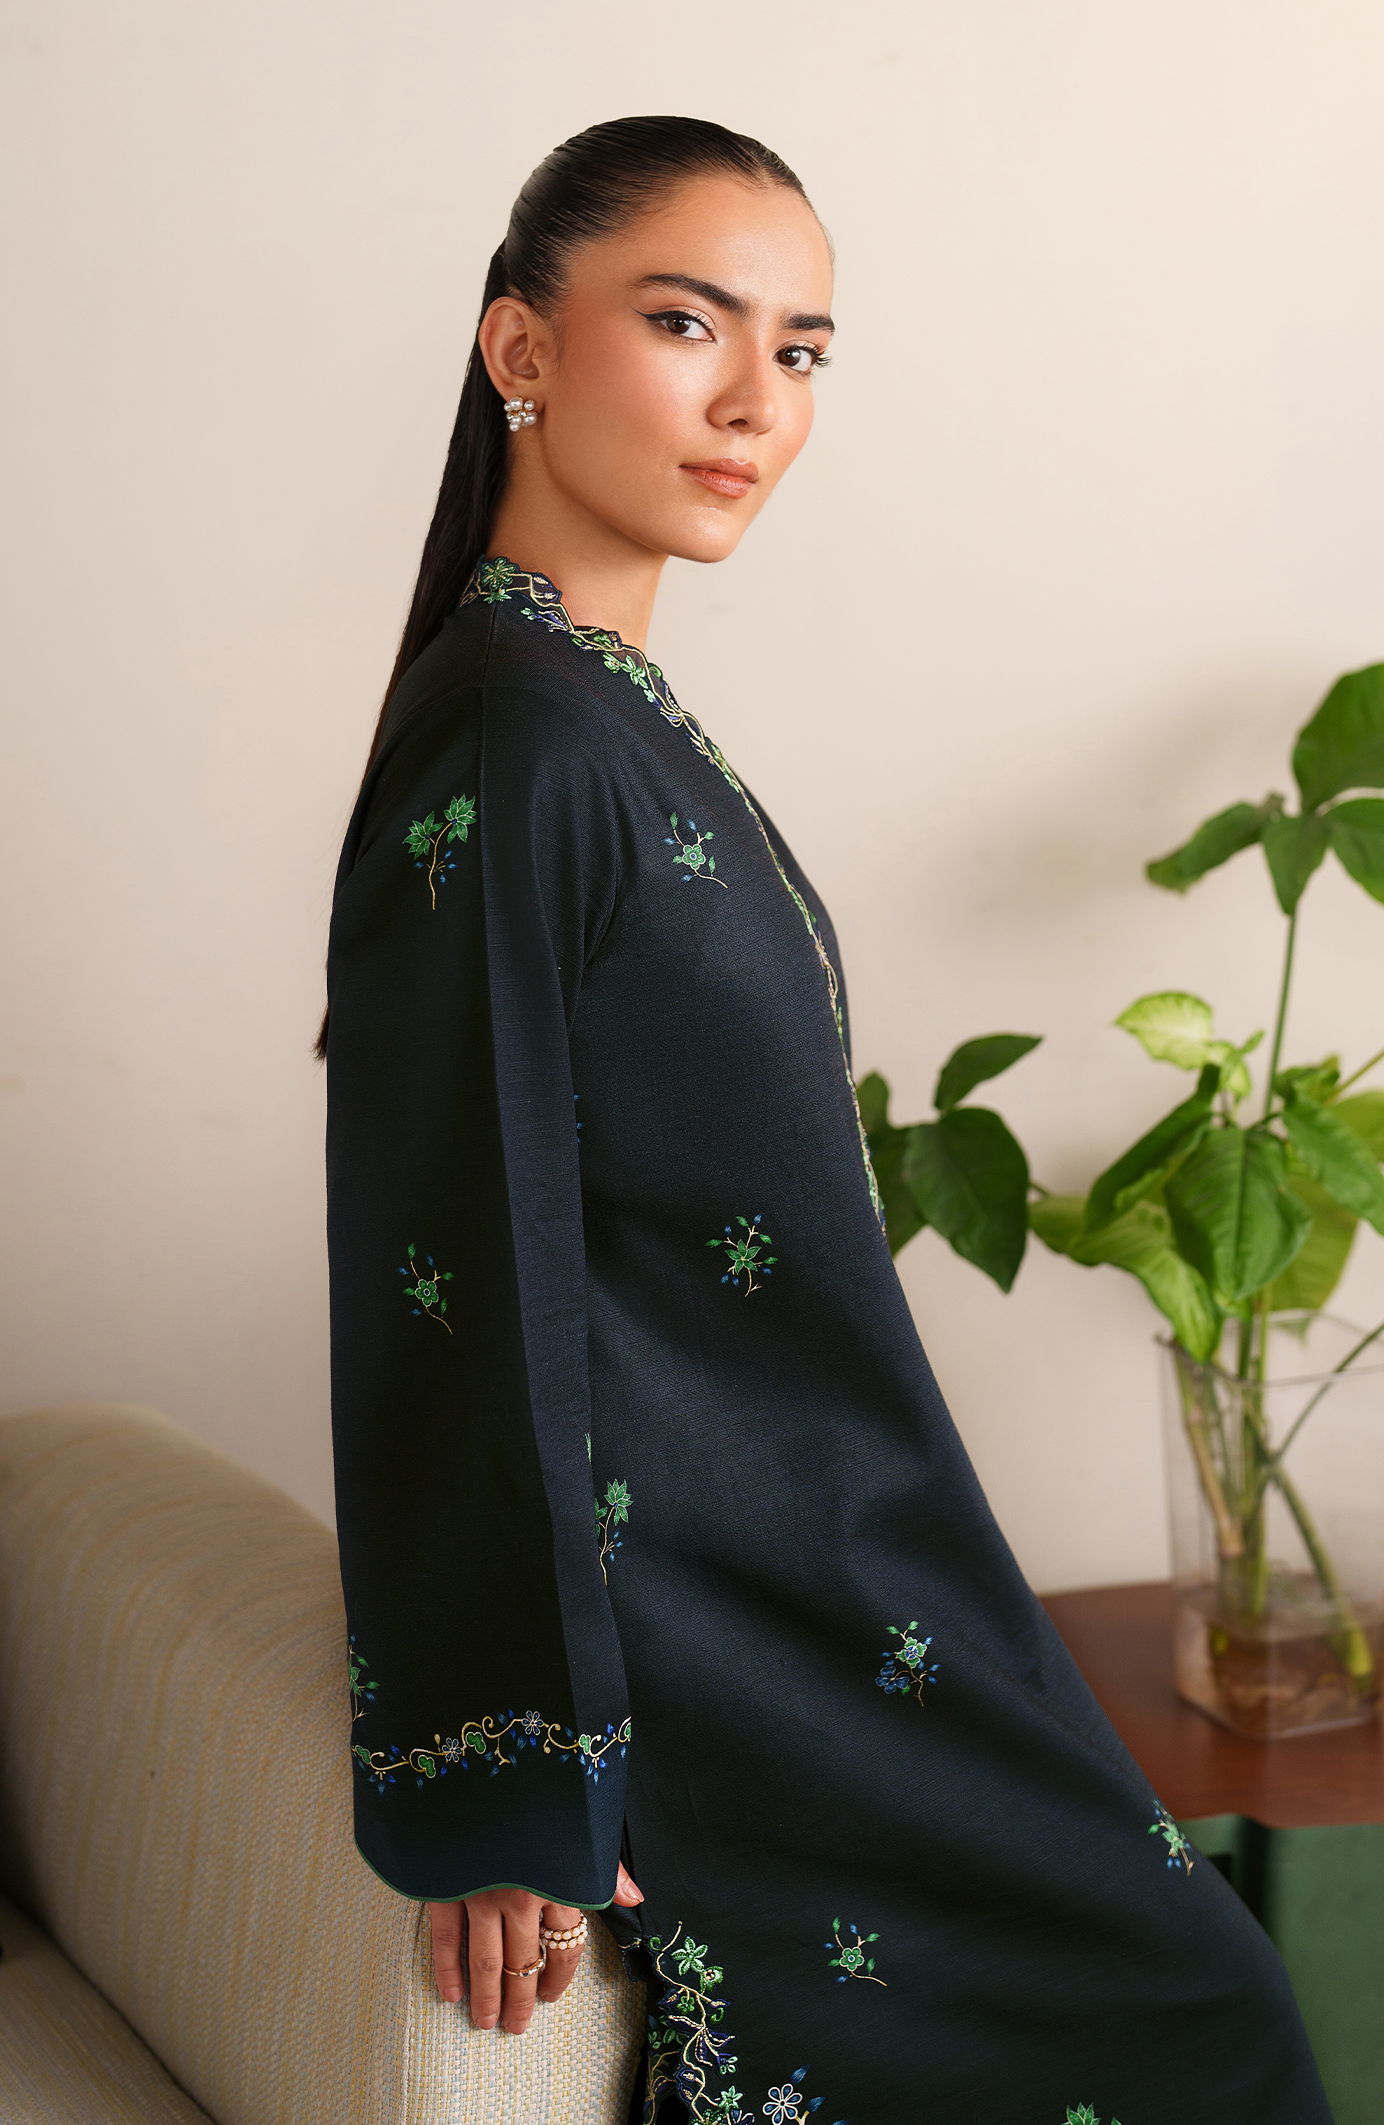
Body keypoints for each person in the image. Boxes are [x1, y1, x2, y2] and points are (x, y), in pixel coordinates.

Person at [322, 115, 1331, 2125]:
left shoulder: (592, 710)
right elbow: (455, 1264)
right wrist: (511, 1775)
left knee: (1203, 2005)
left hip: (849, 1563)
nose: (753, 404)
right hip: (727, 1628)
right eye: (686, 323)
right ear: (520, 348)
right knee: (1193, 2012)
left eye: (799, 352)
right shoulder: (521, 742)